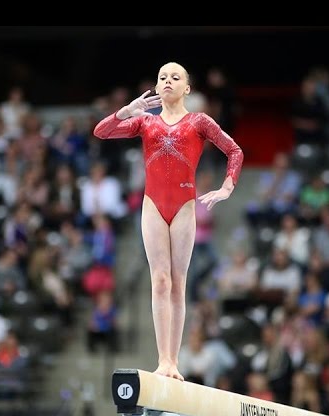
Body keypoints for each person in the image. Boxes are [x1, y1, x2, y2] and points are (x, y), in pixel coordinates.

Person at [94, 62, 243, 380]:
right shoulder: (144, 122)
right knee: (160, 281)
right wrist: (126, 111)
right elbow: (101, 131)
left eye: (176, 77)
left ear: (187, 88)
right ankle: (163, 361)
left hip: (185, 208)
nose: (167, 81)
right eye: (162, 77)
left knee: (178, 283)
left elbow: (234, 151)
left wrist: (227, 186)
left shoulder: (199, 121)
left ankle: (173, 361)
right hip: (153, 206)